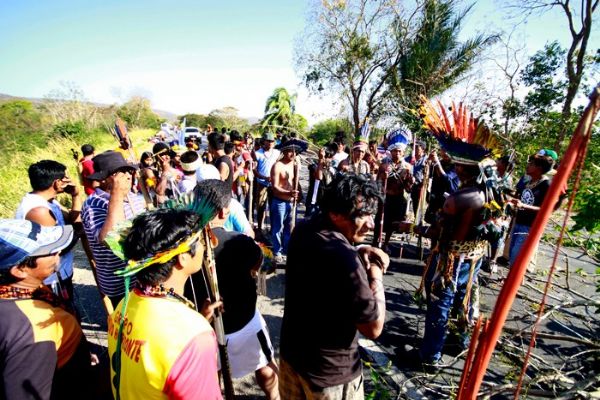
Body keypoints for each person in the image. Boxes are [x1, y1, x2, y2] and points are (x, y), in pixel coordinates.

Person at [396, 100, 504, 369]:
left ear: (462, 168)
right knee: (464, 297)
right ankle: (460, 339)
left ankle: (429, 356)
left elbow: (436, 232)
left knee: (440, 302)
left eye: (455, 165)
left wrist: (409, 227)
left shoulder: (458, 199)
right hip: (474, 257)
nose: (453, 168)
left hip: (450, 259)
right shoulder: (490, 193)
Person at [279, 173, 388, 399]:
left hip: (292, 361)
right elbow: (374, 327)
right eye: (361, 215)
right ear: (335, 213)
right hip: (331, 377)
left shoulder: (305, 229)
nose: (370, 223)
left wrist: (359, 251)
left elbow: (325, 262)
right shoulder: (345, 259)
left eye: (372, 214)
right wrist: (376, 272)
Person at [106, 208, 222, 400]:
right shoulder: (193, 338)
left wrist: (195, 320)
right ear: (182, 257)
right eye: (200, 241)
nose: (205, 245)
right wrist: (195, 327)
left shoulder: (125, 304)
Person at [185, 180, 279, 399]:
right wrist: (261, 251)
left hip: (203, 323)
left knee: (214, 375)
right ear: (223, 210)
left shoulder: (183, 244)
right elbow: (267, 265)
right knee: (264, 367)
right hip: (238, 322)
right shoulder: (239, 242)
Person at [0, 219, 92, 400]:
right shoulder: (33, 330)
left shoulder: (22, 292)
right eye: (49, 250)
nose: (57, 251)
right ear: (20, 269)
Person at [81, 151, 146, 310]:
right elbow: (108, 239)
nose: (127, 176)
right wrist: (116, 193)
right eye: (120, 173)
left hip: (141, 277)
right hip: (119, 283)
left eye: (128, 171)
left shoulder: (134, 198)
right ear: (103, 179)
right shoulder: (94, 204)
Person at [15, 160, 82, 301]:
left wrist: (76, 196)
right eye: (65, 178)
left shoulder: (49, 201)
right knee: (62, 317)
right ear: (57, 183)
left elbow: (71, 219)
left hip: (59, 273)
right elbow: (58, 247)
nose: (68, 180)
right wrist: (79, 230)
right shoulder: (39, 211)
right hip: (51, 279)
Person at [508, 150, 558, 272]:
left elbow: (547, 209)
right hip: (519, 223)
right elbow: (521, 199)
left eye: (531, 164)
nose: (528, 165)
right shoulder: (528, 183)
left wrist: (524, 205)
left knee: (516, 258)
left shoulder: (546, 185)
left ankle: (513, 286)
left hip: (529, 228)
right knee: (512, 256)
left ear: (539, 168)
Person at [374, 133, 414, 250]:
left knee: (393, 222)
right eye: (395, 151)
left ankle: (386, 243)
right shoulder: (384, 165)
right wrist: (384, 177)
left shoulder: (407, 167)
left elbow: (408, 188)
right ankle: (376, 241)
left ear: (403, 153)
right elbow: (378, 182)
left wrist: (410, 181)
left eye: (399, 151)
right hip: (385, 198)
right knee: (380, 221)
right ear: (390, 152)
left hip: (398, 198)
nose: (397, 153)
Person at [270, 143, 300, 264]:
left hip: (291, 202)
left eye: (295, 152)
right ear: (284, 151)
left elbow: (295, 182)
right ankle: (277, 251)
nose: (293, 154)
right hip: (279, 202)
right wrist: (289, 193)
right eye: (290, 151)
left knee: (289, 228)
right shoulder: (277, 166)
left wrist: (298, 194)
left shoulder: (294, 165)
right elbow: (274, 187)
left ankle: (286, 250)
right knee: (278, 228)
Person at [254, 132, 281, 233]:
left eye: (272, 141)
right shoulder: (257, 154)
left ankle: (273, 229)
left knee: (273, 207)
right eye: (268, 141)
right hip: (262, 184)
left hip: (274, 185)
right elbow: (254, 170)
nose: (270, 143)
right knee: (261, 207)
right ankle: (260, 228)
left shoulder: (277, 153)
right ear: (263, 141)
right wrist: (264, 177)